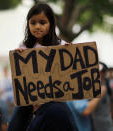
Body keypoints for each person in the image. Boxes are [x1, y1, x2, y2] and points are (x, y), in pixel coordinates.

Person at [8, 3, 77, 131]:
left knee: (70, 123)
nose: (37, 26)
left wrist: (69, 52)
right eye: (33, 23)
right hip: (29, 99)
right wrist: (18, 56)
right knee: (14, 125)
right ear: (28, 24)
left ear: (51, 24)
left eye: (42, 22)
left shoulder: (60, 45)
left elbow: (70, 69)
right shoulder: (24, 46)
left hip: (55, 98)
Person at [92, 62, 113, 131]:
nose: (100, 74)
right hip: (95, 125)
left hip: (107, 124)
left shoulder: (107, 84)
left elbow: (110, 102)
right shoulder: (90, 87)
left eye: (102, 72)